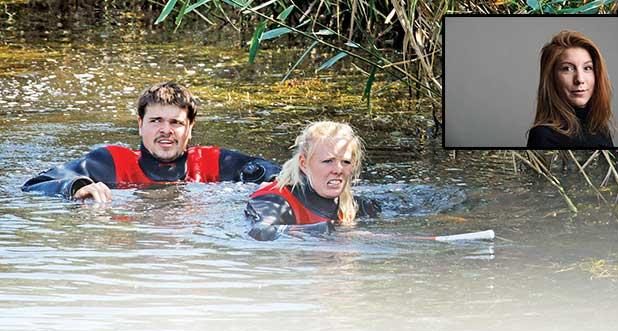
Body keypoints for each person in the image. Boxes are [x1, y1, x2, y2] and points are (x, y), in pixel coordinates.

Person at [22, 81, 280, 201]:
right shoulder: (110, 163)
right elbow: (33, 185)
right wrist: (76, 187)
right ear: (140, 125)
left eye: (176, 122)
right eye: (156, 121)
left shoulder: (215, 162)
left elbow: (286, 176)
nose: (166, 130)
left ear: (190, 128)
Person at [245, 121, 380, 241]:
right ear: (304, 164)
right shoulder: (273, 200)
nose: (338, 170)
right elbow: (260, 232)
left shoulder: (360, 207)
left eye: (346, 162)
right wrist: (337, 231)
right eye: (328, 161)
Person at [527, 30, 614, 149]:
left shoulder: (601, 129)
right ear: (551, 78)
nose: (580, 79)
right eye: (567, 68)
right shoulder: (543, 136)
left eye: (587, 68)